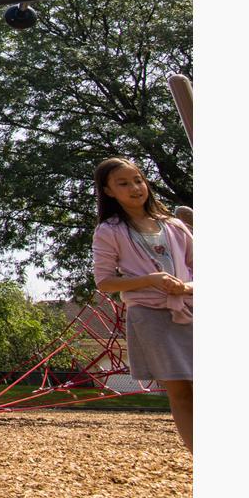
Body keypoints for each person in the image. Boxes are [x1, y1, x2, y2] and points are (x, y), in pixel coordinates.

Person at [91, 157, 193, 450]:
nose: (135, 187)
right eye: (123, 183)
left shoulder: (174, 225)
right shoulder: (109, 231)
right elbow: (105, 281)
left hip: (191, 308)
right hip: (151, 316)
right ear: (109, 191)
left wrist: (185, 286)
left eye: (138, 180)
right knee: (181, 392)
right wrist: (151, 279)